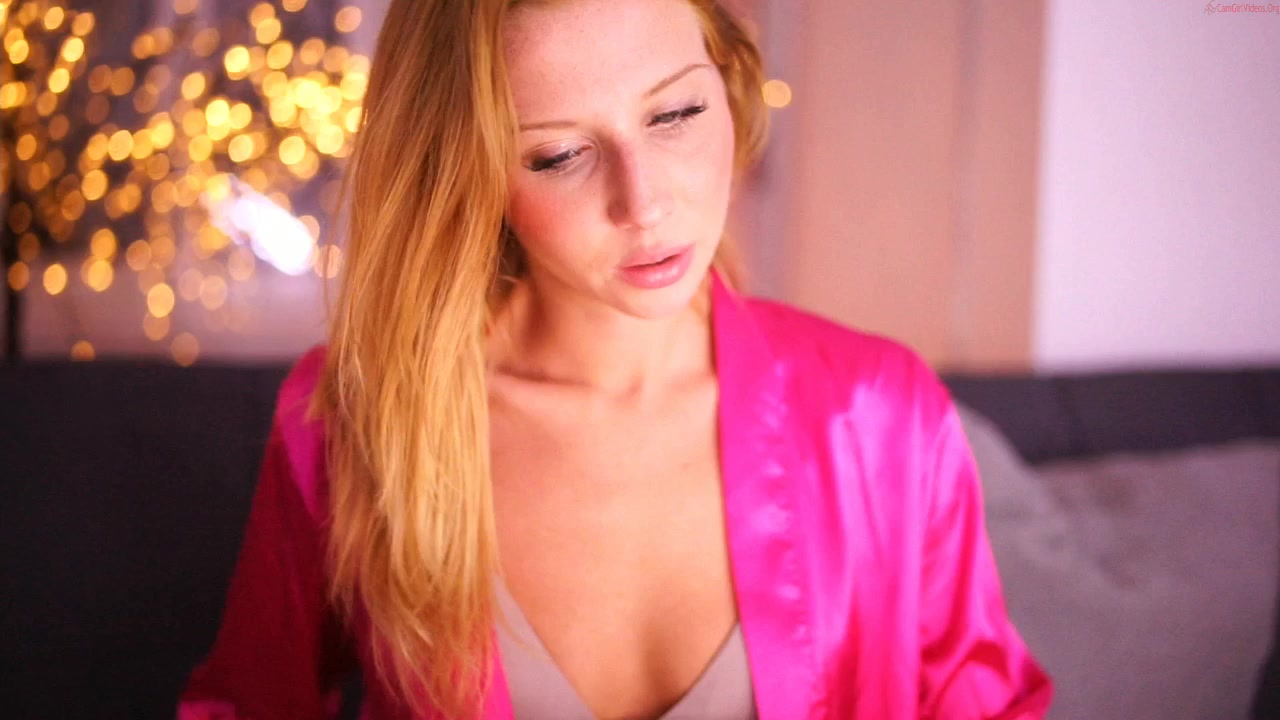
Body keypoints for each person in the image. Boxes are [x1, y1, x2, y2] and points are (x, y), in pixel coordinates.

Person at [177, 0, 1053, 718]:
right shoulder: (353, 420)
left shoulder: (881, 416)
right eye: (559, 155)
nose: (644, 202)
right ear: (471, 170)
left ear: (729, 81)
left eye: (675, 113)